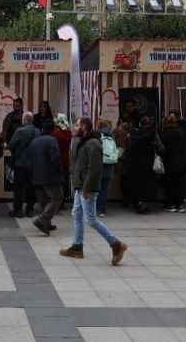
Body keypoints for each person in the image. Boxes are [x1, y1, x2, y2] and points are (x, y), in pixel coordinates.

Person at [61, 117, 128, 265]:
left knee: (90, 219)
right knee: (76, 213)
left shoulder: (93, 144)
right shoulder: (83, 141)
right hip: (81, 186)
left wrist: (87, 188)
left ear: (84, 127)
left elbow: (95, 169)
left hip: (87, 187)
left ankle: (116, 245)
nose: (74, 127)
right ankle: (77, 247)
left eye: (77, 125)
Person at [27, 120, 64, 236]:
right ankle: (42, 219)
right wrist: (60, 172)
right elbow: (55, 158)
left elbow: (29, 159)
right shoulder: (52, 140)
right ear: (52, 129)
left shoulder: (34, 141)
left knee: (44, 201)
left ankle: (46, 223)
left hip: (36, 176)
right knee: (57, 198)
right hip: (50, 176)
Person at [123, 116, 160, 213]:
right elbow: (160, 148)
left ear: (140, 124)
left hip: (135, 164)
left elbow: (130, 148)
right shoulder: (152, 134)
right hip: (148, 163)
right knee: (147, 185)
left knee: (136, 184)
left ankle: (137, 203)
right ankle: (144, 204)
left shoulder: (134, 134)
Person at [8, 112, 39, 218]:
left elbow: (11, 145)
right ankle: (30, 209)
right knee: (31, 187)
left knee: (18, 188)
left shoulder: (19, 131)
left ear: (24, 120)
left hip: (20, 163)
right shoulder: (37, 131)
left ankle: (18, 210)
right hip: (33, 164)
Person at [160, 114, 186, 213]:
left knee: (170, 184)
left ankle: (170, 204)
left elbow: (162, 149)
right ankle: (180, 205)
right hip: (182, 162)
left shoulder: (165, 133)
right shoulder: (183, 131)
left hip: (169, 161)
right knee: (180, 184)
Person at [97, 120, 118, 217]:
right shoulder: (112, 138)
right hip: (109, 165)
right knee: (104, 188)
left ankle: (95, 208)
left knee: (96, 188)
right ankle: (102, 210)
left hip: (99, 165)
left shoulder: (97, 137)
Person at [52, 114, 73, 211]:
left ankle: (56, 202)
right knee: (64, 182)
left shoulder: (55, 132)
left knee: (56, 183)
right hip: (65, 160)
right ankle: (62, 202)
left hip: (56, 160)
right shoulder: (68, 133)